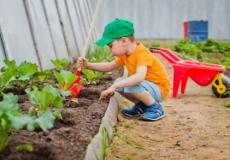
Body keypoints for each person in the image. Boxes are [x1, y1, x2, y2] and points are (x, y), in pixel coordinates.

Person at [77, 18, 170, 121]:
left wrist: (114, 86)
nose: (110, 52)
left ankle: (155, 108)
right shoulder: (126, 55)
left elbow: (139, 77)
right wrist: (88, 65)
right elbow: (109, 66)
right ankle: (142, 106)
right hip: (147, 87)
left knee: (127, 84)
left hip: (159, 89)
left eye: (111, 46)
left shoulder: (142, 53)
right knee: (120, 83)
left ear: (124, 41)